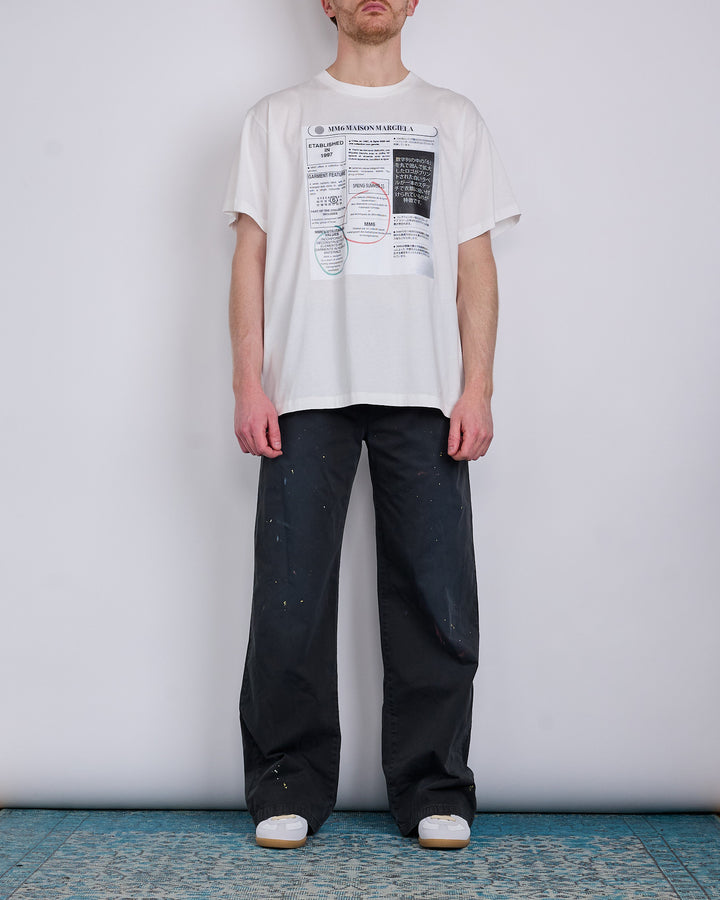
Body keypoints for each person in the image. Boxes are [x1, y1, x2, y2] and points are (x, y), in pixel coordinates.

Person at [222, 0, 521, 850]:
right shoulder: (277, 117)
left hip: (425, 389)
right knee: (290, 597)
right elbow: (250, 256)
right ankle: (286, 784)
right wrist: (248, 383)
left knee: (435, 595)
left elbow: (474, 262)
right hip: (302, 388)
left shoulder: (452, 117)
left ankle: (435, 791)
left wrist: (478, 388)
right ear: (326, 2)